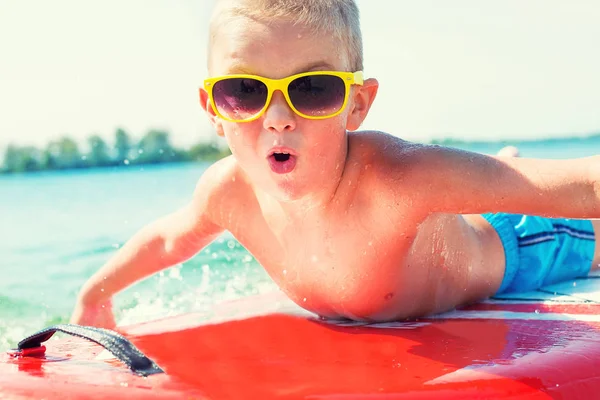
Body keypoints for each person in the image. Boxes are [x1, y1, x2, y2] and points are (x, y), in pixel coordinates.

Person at [70, 0, 600, 328]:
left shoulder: (396, 179)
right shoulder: (227, 193)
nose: (277, 118)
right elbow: (168, 240)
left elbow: (581, 188)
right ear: (213, 109)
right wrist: (95, 294)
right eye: (244, 91)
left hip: (525, 241)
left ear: (357, 104)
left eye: (312, 89)